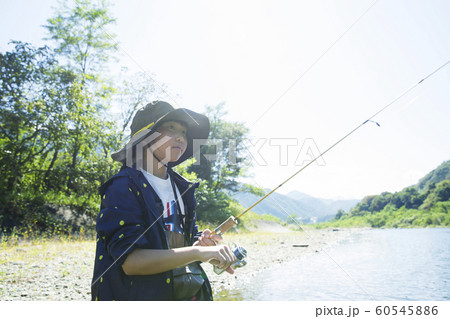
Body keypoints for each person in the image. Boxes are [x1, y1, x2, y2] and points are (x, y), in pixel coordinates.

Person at [91, 101, 236, 301]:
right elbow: (131, 262)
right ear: (144, 138)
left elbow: (186, 240)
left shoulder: (183, 188)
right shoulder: (123, 186)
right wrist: (197, 252)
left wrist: (203, 245)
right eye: (171, 128)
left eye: (184, 132)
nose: (181, 137)